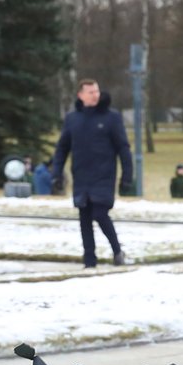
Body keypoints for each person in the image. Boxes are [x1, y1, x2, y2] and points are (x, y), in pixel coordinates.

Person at [51, 79, 134, 268]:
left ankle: (117, 251)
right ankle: (89, 260)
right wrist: (56, 173)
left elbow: (123, 147)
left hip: (104, 175)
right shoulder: (73, 119)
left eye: (96, 91)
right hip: (81, 175)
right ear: (80, 95)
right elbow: (62, 148)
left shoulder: (111, 117)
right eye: (90, 92)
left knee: (100, 213)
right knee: (85, 217)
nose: (95, 95)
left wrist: (127, 175)